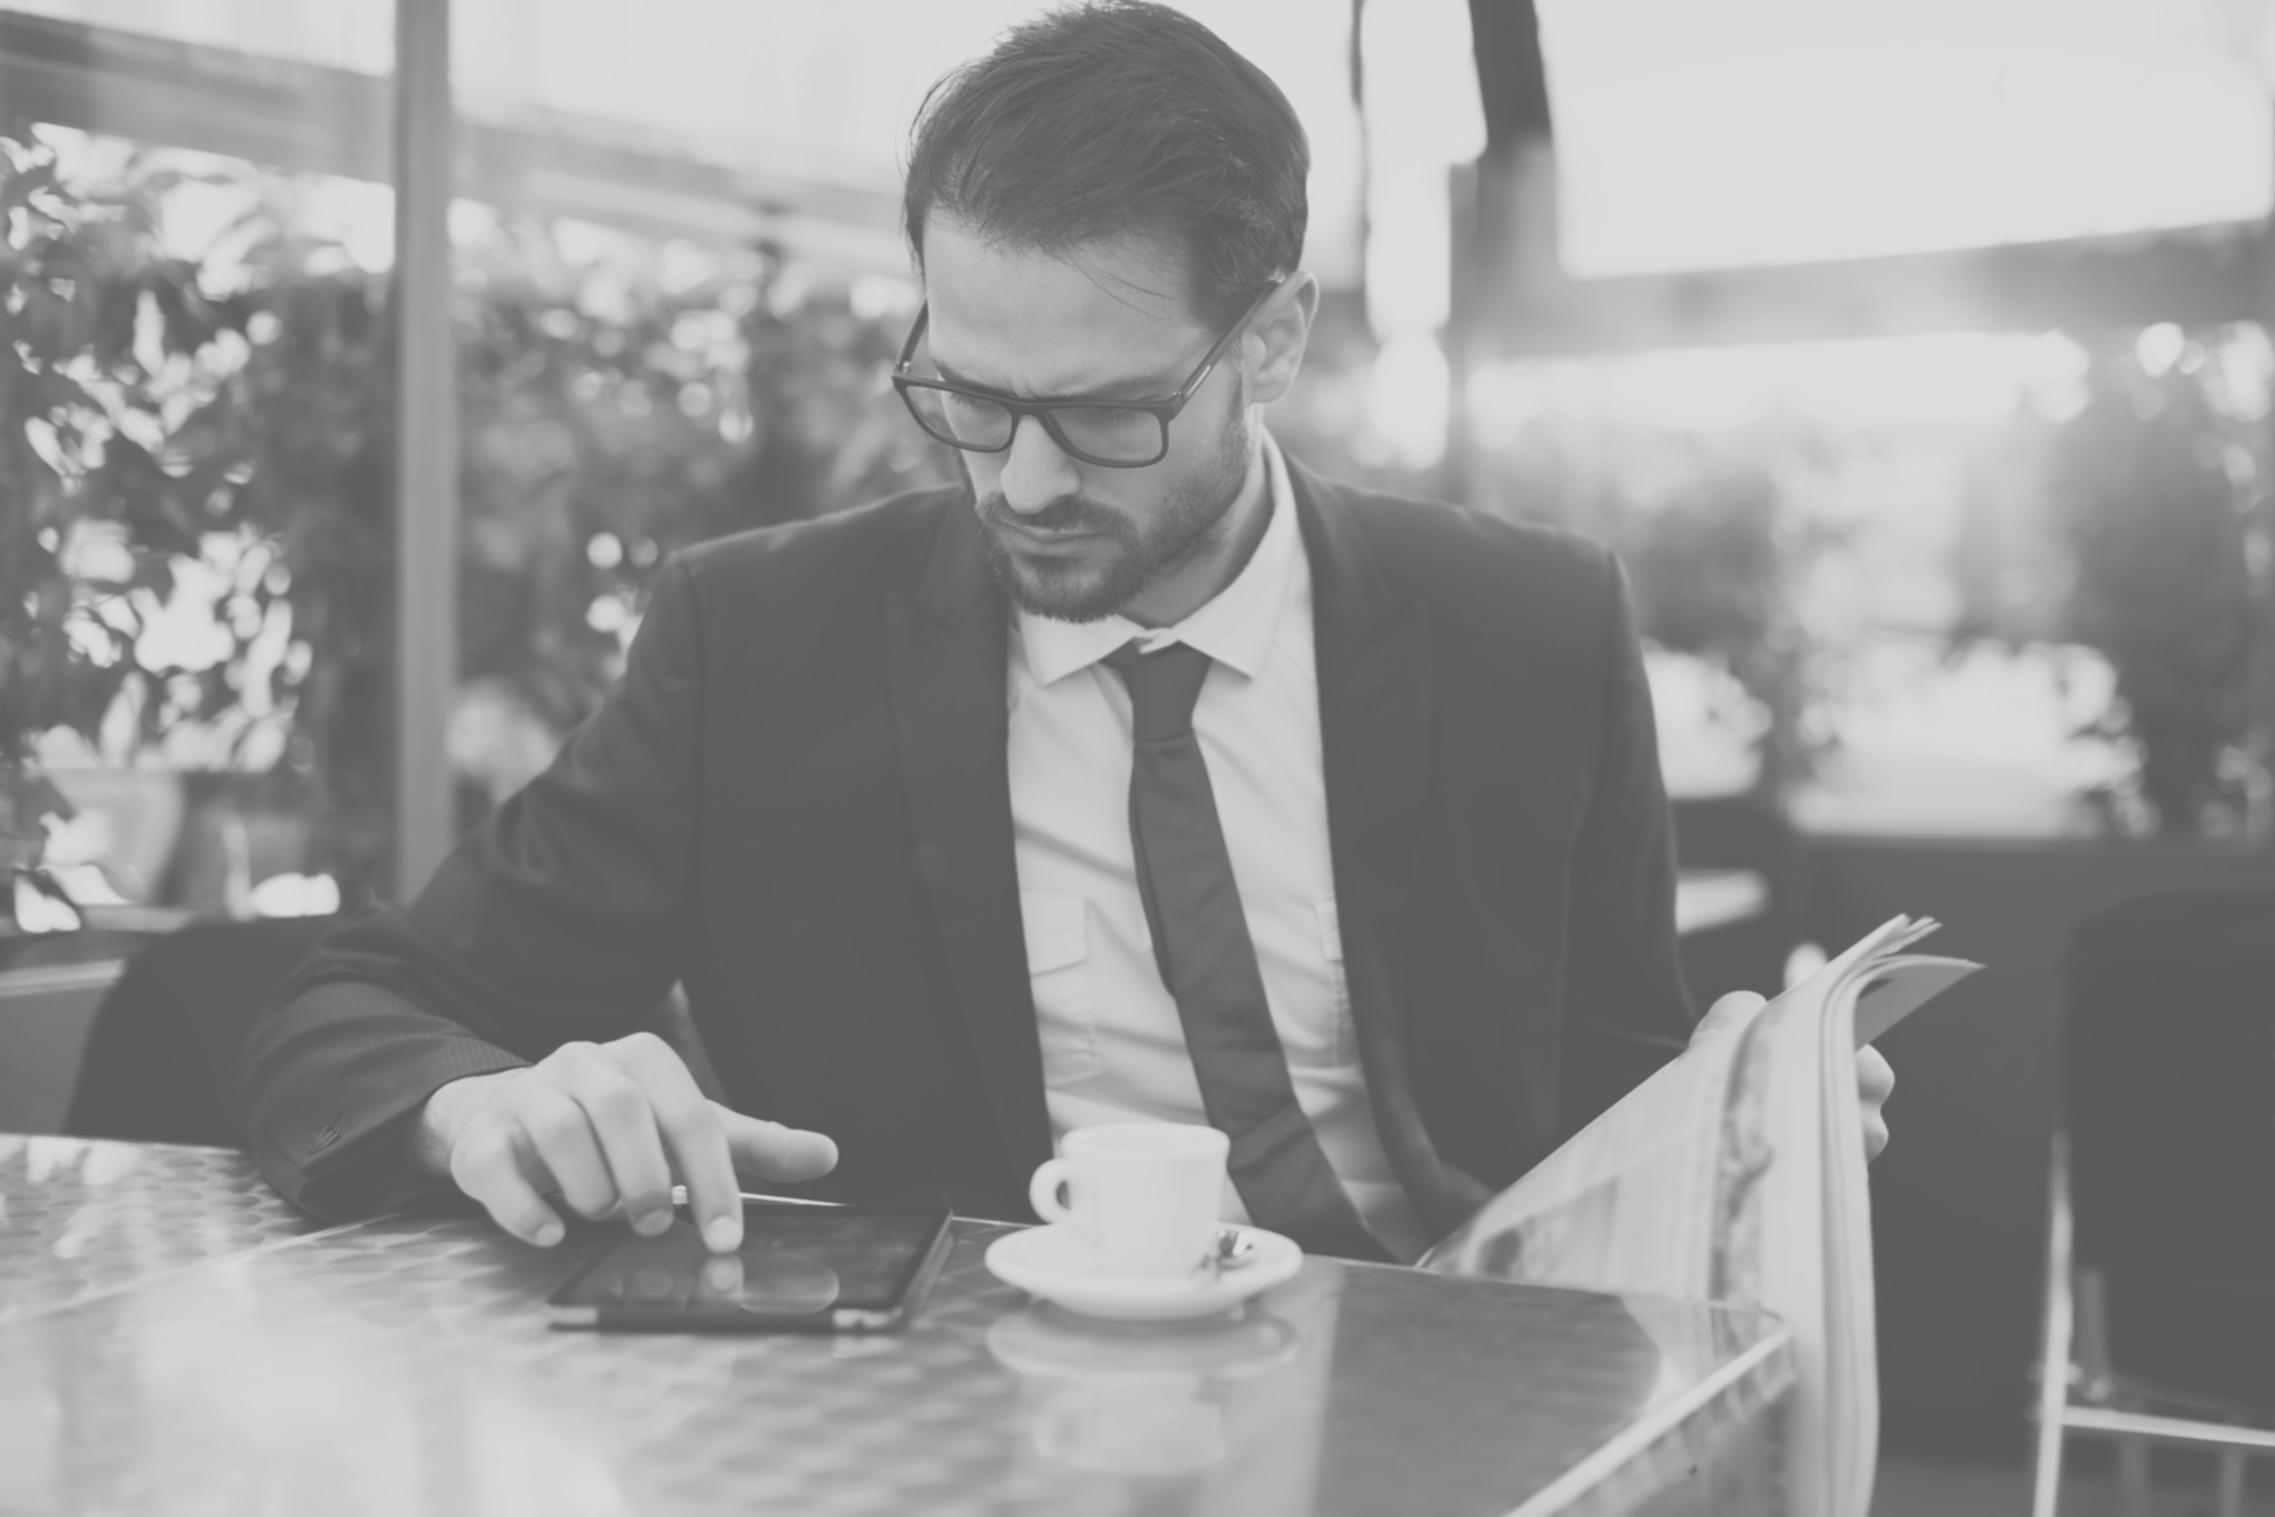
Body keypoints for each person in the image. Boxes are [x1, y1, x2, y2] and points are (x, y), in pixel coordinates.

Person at [237, 0, 1893, 1264]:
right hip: (961, 1433)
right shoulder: (757, 643)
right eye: (969, 395)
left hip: (1458, 1402)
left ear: (1271, 342)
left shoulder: (1531, 625)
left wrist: (1746, 1118)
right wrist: (476, 1101)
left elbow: (1614, 1088)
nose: (1019, 482)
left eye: (1105, 412)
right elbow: (355, 1003)